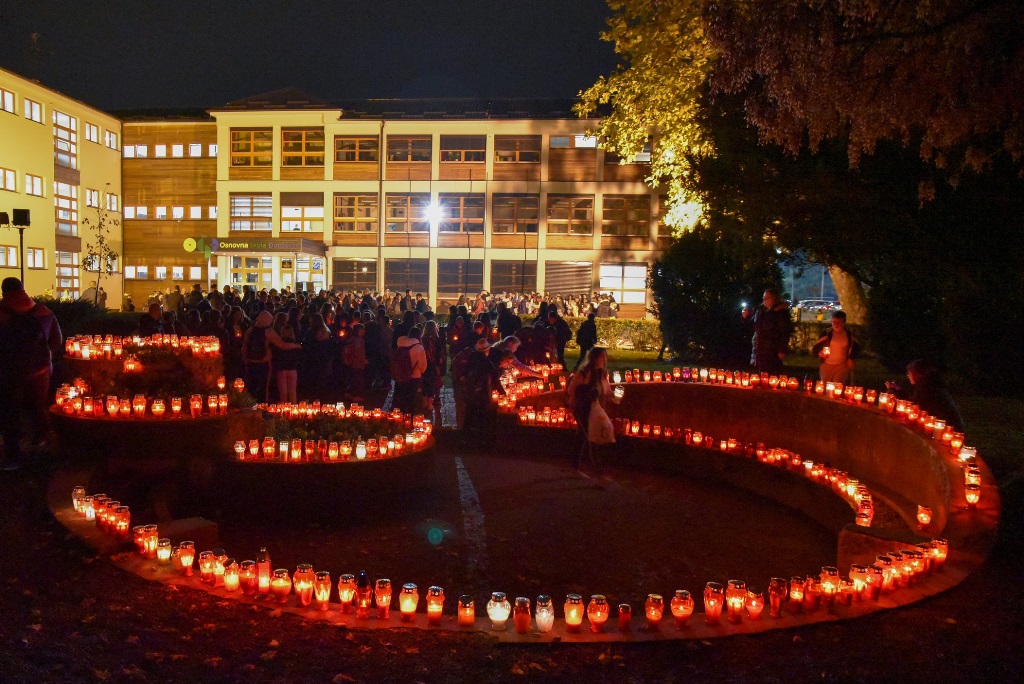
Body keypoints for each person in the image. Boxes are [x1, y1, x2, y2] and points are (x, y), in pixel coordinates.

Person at [0, 277, 63, 470]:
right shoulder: (43, 311)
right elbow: (57, 339)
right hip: (40, 371)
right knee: (38, 406)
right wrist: (44, 359)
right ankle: (43, 449)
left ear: (4, 291)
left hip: (9, 370)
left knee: (9, 410)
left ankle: (13, 456)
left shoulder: (2, 312)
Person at [886, 359, 965, 432]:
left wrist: (892, 392)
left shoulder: (926, 388)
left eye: (909, 373)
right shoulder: (931, 383)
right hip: (951, 426)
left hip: (947, 429)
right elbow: (915, 401)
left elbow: (913, 407)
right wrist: (898, 390)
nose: (908, 376)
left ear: (917, 375)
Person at [242, 310, 301, 403]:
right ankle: (262, 408)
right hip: (263, 364)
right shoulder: (268, 331)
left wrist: (245, 361)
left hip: (250, 363)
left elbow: (244, 347)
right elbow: (282, 345)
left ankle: (251, 406)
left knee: (252, 387)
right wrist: (296, 345)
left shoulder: (250, 330)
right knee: (264, 388)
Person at [743, 288, 791, 375]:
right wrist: (745, 317)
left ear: (775, 298)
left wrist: (782, 350)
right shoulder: (761, 311)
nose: (765, 300)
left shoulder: (780, 313)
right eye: (764, 297)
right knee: (761, 374)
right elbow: (753, 326)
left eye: (768, 297)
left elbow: (785, 332)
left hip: (772, 349)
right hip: (760, 349)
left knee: (772, 375)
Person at [812, 311, 860, 383]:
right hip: (826, 365)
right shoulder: (827, 333)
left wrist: (851, 358)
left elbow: (856, 347)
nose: (836, 324)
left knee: (836, 386)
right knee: (824, 387)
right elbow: (816, 347)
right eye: (834, 322)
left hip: (841, 365)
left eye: (839, 322)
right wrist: (819, 353)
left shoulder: (849, 335)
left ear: (844, 323)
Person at [392, 325, 427, 414]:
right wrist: (421, 371)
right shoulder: (419, 347)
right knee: (412, 398)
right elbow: (423, 365)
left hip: (402, 374)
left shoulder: (401, 344)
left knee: (403, 396)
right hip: (415, 375)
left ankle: (401, 415)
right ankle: (410, 416)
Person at [272, 324, 301, 403]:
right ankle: (294, 410)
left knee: (283, 393)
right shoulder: (296, 344)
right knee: (292, 392)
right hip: (292, 369)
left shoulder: (279, 344)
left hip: (281, 369)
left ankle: (283, 411)